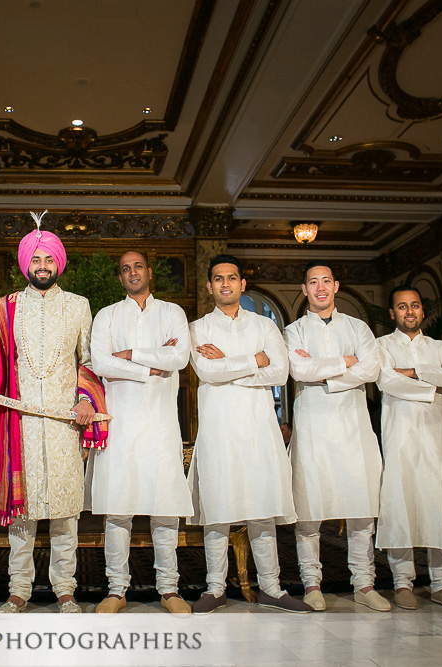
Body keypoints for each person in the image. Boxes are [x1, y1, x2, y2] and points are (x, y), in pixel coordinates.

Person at [0, 214, 99, 614]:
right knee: (21, 516)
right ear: (26, 264)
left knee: (65, 515)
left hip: (63, 424)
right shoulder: (4, 309)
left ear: (59, 263)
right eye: (35, 260)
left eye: (49, 260)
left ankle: (65, 589)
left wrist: (87, 400)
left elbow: (88, 360)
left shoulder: (78, 306)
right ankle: (19, 589)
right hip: (17, 424)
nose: (43, 266)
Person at [188, 255, 311, 614]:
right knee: (218, 508)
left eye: (232, 278)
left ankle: (271, 588)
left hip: (259, 428)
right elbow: (208, 374)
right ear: (209, 286)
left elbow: (278, 374)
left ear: (243, 284)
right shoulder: (196, 329)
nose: (225, 284)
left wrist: (229, 361)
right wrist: (252, 359)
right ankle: (215, 588)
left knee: (262, 507)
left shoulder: (266, 325)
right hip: (219, 428)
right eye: (218, 278)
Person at [85, 251, 192, 615]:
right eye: (126, 269)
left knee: (165, 509)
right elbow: (100, 363)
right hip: (120, 422)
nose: (133, 273)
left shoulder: (172, 313)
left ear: (149, 272)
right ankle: (116, 589)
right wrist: (150, 365)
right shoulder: (108, 315)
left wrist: (129, 354)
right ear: (120, 278)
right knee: (118, 509)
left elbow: (179, 359)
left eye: (138, 267)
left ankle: (169, 589)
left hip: (161, 423)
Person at [285, 261, 388, 612]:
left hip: (353, 427)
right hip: (313, 425)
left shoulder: (358, 327)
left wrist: (325, 374)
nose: (320, 287)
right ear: (304, 290)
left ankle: (364, 583)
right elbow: (298, 369)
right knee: (309, 509)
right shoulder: (294, 331)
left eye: (325, 281)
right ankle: (311, 583)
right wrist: (347, 362)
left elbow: (372, 368)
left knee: (361, 508)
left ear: (336, 286)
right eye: (312, 282)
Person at [376, 286, 442, 611]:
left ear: (423, 311)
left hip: (435, 439)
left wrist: (414, 372)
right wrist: (432, 383)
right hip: (399, 436)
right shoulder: (381, 347)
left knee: (438, 504)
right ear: (392, 313)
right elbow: (387, 381)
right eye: (402, 306)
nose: (409, 311)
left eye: (414, 305)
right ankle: (402, 583)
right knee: (401, 505)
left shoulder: (441, 347)